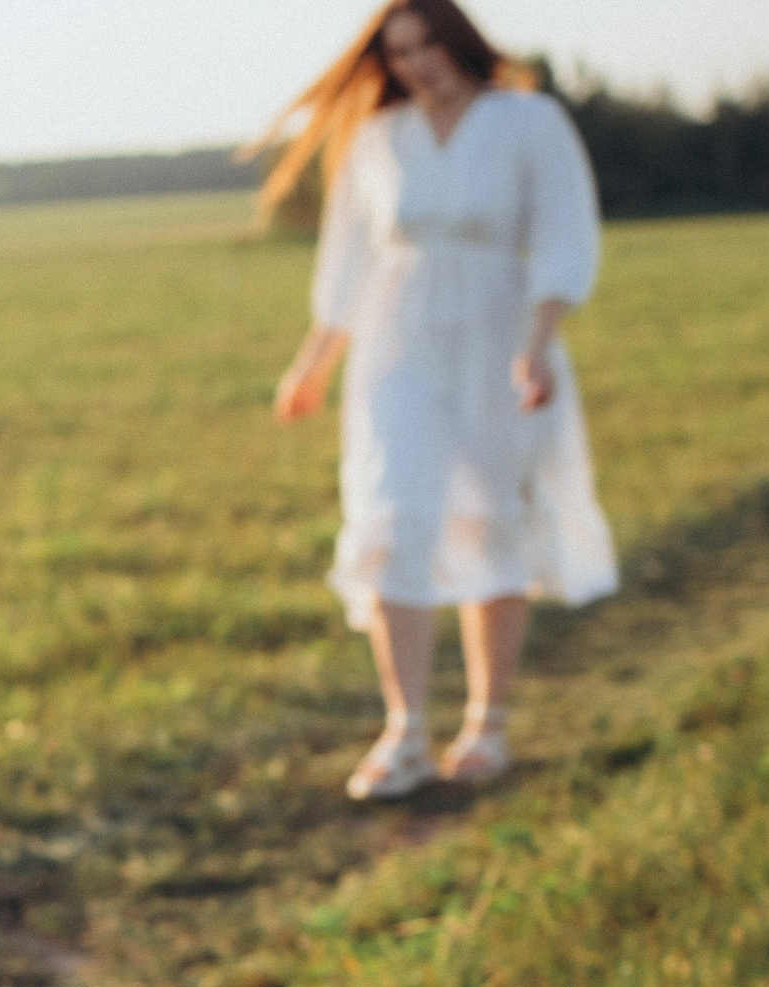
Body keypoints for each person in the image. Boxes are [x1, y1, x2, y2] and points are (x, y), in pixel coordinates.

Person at [259, 0, 617, 799]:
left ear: (458, 42)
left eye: (427, 46)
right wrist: (311, 364)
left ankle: (487, 722)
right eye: (399, 53)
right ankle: (406, 728)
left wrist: (539, 340)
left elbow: (565, 231)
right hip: (398, 344)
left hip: (499, 337)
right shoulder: (378, 141)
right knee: (392, 515)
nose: (418, 65)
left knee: (493, 515)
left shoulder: (528, 121)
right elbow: (348, 262)